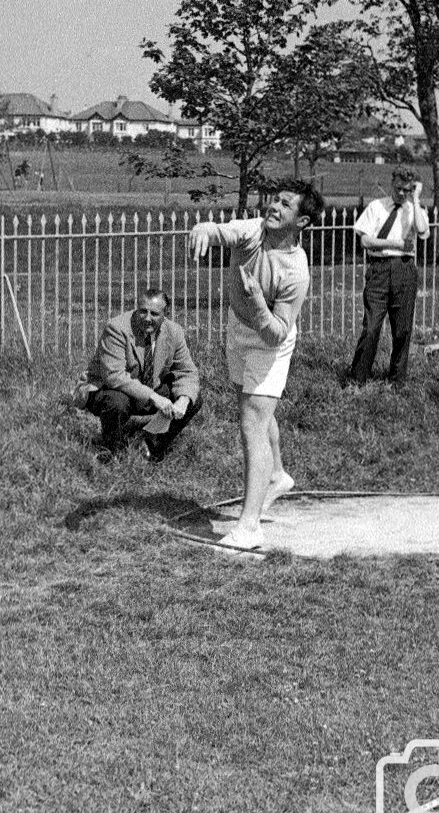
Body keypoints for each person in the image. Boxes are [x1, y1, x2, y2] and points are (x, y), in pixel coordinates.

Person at [190, 179, 324, 551]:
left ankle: (249, 527)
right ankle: (278, 476)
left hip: (270, 341)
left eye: (285, 205)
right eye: (275, 200)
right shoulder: (255, 230)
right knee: (253, 409)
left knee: (252, 422)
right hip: (239, 328)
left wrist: (260, 306)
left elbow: (277, 333)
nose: (274, 208)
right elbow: (222, 232)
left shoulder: (296, 272)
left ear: (303, 222)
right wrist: (204, 229)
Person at [78, 288, 202, 461]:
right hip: (107, 390)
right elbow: (114, 375)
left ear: (164, 315)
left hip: (148, 388)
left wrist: (183, 400)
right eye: (143, 311)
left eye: (154, 313)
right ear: (137, 308)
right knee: (117, 402)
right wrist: (153, 397)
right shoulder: (116, 328)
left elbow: (187, 371)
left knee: (192, 397)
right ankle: (113, 450)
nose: (147, 318)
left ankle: (153, 445)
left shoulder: (174, 331)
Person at [348, 166, 430, 388]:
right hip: (379, 269)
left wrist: (416, 199)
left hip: (404, 270)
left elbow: (422, 232)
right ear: (391, 183)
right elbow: (365, 241)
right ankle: (357, 379)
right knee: (372, 326)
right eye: (398, 188)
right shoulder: (376, 207)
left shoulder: (415, 209)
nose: (401, 193)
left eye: (407, 189)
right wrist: (395, 243)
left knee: (402, 329)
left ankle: (397, 381)